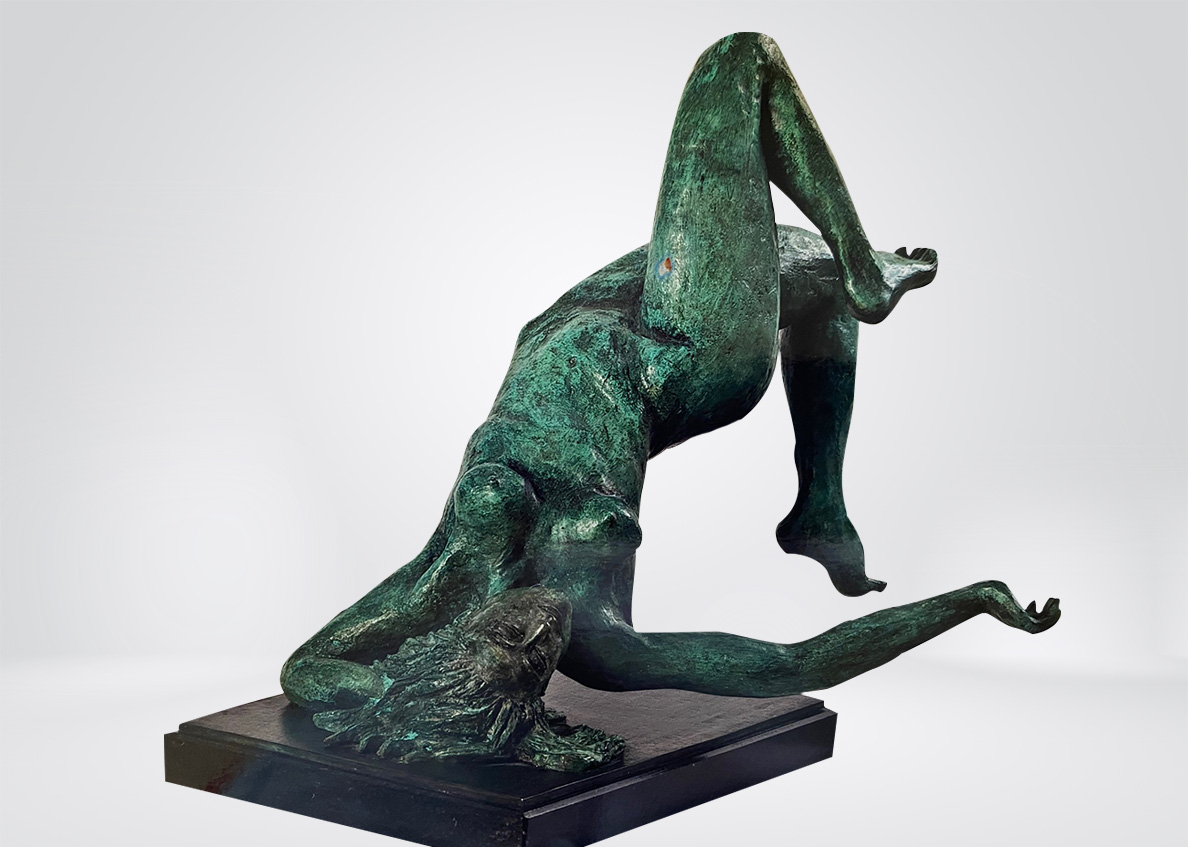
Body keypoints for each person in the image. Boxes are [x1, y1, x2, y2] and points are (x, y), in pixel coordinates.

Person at [282, 33, 1059, 768]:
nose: (534, 634)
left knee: (811, 275)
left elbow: (306, 669)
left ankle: (821, 503)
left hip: (593, 310)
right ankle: (863, 270)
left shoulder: (447, 579)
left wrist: (382, 698)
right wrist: (969, 602)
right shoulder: (604, 643)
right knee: (740, 61)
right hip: (679, 360)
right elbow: (793, 663)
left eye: (501, 648)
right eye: (533, 664)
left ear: (448, 656)